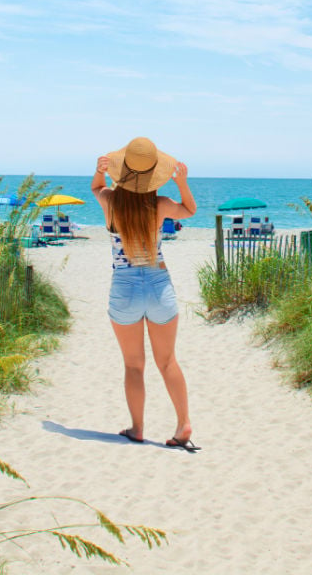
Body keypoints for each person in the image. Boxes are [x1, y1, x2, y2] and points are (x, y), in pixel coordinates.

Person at [92, 136, 199, 451]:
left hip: (124, 287)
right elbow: (190, 211)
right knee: (167, 362)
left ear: (123, 172)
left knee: (134, 364)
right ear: (155, 174)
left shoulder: (110, 201)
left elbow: (96, 189)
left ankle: (137, 428)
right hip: (158, 284)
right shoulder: (161, 205)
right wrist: (182, 183)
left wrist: (99, 172)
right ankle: (183, 423)